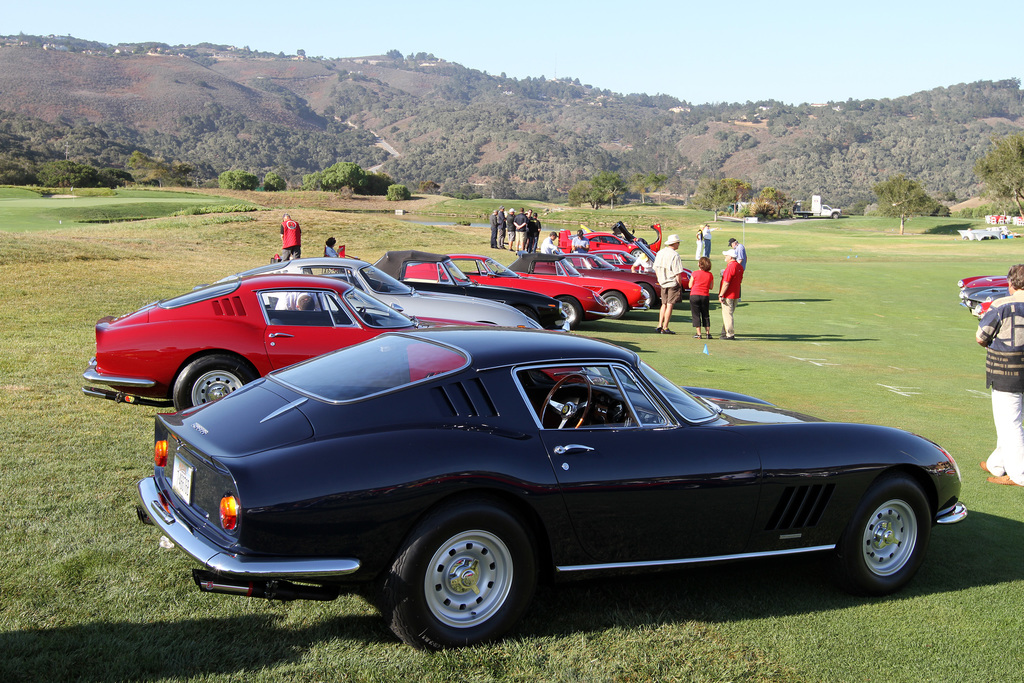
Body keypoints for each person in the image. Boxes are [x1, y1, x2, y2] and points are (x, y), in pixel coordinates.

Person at [976, 264, 1024, 487]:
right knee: (1011, 422)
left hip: (1007, 372)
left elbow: (981, 336)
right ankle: (997, 464)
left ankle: (1018, 475)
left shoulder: (1000, 305)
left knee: (1010, 423)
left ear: (1011, 283)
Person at [653, 234, 684, 334]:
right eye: (678, 243)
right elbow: (678, 272)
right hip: (671, 282)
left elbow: (656, 267)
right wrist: (679, 284)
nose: (678, 244)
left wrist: (660, 279)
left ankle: (659, 325)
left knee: (664, 304)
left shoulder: (660, 253)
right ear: (674, 243)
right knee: (670, 304)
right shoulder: (675, 255)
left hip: (662, 281)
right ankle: (665, 327)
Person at [718, 248, 744, 340]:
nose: (725, 257)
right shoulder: (739, 266)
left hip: (728, 294)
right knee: (729, 314)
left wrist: (721, 294)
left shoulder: (730, 267)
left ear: (730, 257)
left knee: (727, 315)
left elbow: (726, 283)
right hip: (736, 294)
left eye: (726, 255)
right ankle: (725, 332)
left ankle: (729, 334)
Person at [688, 256, 714, 339]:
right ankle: (708, 333)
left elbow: (690, 285)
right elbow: (711, 286)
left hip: (695, 294)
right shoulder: (710, 275)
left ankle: (699, 333)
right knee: (705, 314)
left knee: (696, 314)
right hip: (705, 295)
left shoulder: (695, 273)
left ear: (700, 264)